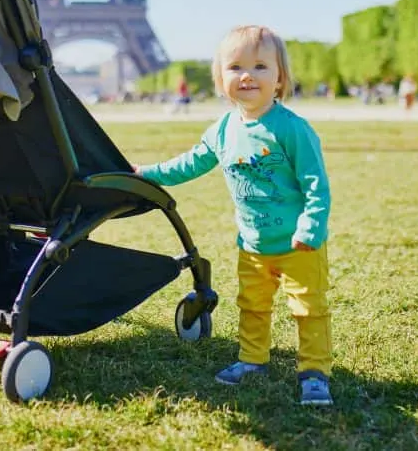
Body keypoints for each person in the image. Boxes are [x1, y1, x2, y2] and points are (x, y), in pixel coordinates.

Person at [134, 25, 333, 406]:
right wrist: (148, 173)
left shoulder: (292, 129)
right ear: (220, 79)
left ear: (280, 79)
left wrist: (311, 228)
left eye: (260, 66)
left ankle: (314, 372)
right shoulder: (223, 130)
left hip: (299, 246)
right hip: (253, 244)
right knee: (252, 305)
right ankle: (252, 359)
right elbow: (189, 163)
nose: (247, 75)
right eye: (235, 67)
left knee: (308, 310)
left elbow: (315, 185)